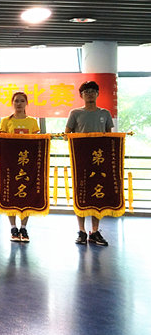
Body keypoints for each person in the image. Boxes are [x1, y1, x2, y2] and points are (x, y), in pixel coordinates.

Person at [66, 80, 114, 246]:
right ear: (81, 95)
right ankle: (81, 230)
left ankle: (95, 231)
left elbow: (109, 136)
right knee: (81, 193)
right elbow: (67, 134)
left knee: (97, 194)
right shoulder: (75, 113)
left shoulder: (105, 113)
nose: (90, 94)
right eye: (86, 92)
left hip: (99, 161)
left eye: (93, 91)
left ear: (98, 94)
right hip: (80, 160)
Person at [0, 91, 40, 242]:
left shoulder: (32, 122)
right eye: (16, 101)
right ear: (12, 103)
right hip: (10, 164)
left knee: (26, 194)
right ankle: (13, 228)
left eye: (22, 101)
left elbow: (37, 142)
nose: (19, 104)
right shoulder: (5, 121)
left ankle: (23, 227)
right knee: (10, 194)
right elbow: (1, 141)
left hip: (27, 165)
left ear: (26, 103)